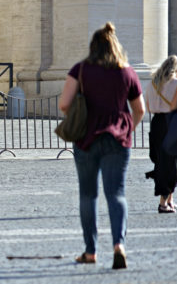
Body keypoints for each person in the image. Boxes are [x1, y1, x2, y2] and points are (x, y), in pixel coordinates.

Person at [59, 22, 145, 270]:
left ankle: (90, 251)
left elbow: (64, 104)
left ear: (92, 47)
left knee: (88, 195)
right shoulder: (127, 72)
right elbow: (139, 109)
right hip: (118, 140)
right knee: (116, 193)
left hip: (86, 138)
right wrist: (128, 128)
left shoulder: (81, 70)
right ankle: (119, 244)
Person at [144, 55, 177, 213]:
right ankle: (163, 203)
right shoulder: (176, 84)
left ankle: (170, 200)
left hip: (157, 123)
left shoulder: (152, 84)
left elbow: (149, 108)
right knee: (171, 164)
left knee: (162, 161)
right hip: (171, 123)